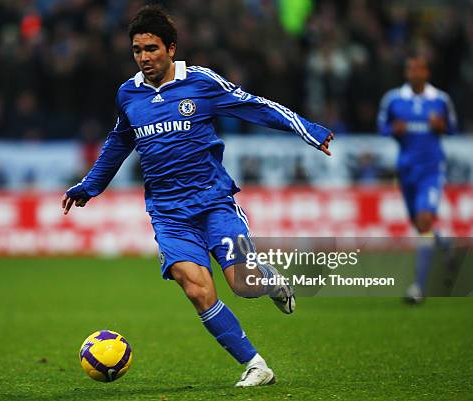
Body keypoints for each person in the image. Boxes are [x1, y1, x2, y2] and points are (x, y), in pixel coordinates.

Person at [62, 6, 333, 387]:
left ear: (170, 48)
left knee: (243, 282)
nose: (144, 58)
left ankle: (269, 280)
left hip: (214, 202)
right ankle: (257, 365)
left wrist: (309, 130)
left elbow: (255, 106)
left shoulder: (202, 83)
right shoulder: (129, 94)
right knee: (197, 290)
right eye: (137, 50)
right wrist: (88, 186)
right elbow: (118, 142)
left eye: (151, 49)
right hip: (169, 214)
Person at [378, 56, 457, 304]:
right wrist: (394, 130)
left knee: (424, 221)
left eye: (418, 69)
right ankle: (444, 242)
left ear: (426, 73)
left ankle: (418, 289)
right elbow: (382, 126)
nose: (413, 73)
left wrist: (441, 125)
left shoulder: (440, 99)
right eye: (409, 68)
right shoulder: (393, 99)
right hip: (406, 170)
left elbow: (453, 126)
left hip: (432, 170)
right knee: (419, 224)